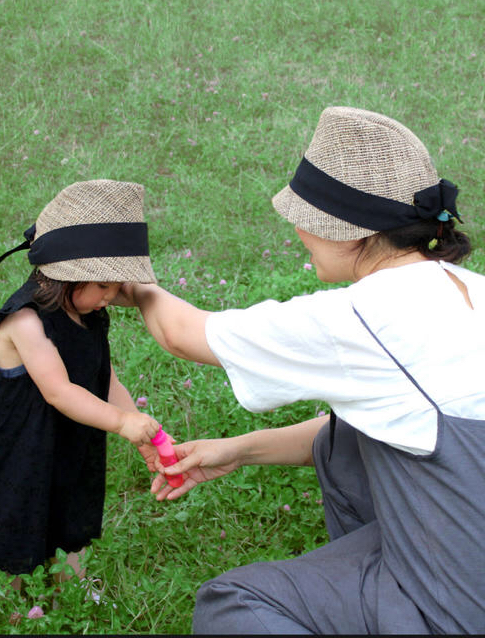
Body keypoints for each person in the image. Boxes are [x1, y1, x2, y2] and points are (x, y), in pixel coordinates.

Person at [120, 107, 485, 634]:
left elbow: (182, 333)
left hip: (461, 596)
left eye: (312, 218)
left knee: (232, 606)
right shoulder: (469, 290)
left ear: (353, 231)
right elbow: (413, 426)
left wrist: (126, 280)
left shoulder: (361, 318)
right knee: (342, 443)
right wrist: (237, 450)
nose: (297, 228)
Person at [0, 179, 161, 588]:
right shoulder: (26, 321)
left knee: (71, 505)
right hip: (16, 443)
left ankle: (72, 588)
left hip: (66, 437)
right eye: (105, 285)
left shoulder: (88, 313)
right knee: (13, 514)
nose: (111, 297)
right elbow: (59, 390)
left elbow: (103, 380)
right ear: (68, 275)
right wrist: (121, 424)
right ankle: (12, 598)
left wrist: (135, 420)